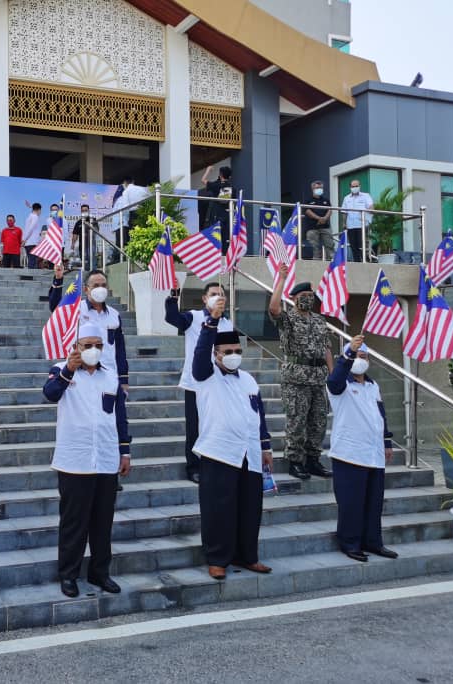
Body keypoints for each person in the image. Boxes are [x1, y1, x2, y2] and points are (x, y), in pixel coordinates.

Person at [43, 324, 131, 598]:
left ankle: (100, 573)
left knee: (102, 522)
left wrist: (124, 450)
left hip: (105, 458)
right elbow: (50, 393)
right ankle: (68, 574)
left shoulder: (110, 376)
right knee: (74, 522)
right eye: (87, 345)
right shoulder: (61, 370)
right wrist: (69, 369)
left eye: (98, 345)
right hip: (75, 460)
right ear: (76, 346)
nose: (93, 350)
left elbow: (119, 415)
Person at [192, 304, 273, 580]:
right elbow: (200, 355)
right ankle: (217, 558)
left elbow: (259, 414)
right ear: (217, 355)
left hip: (248, 453)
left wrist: (265, 446)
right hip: (219, 451)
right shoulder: (206, 375)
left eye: (238, 352)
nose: (234, 356)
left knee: (249, 508)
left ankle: (247, 555)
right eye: (228, 352)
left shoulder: (248, 380)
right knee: (219, 508)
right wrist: (211, 324)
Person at [327, 336, 398, 563]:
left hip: (373, 453)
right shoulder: (340, 384)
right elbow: (335, 380)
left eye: (364, 356)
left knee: (373, 502)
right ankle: (350, 542)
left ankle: (373, 541)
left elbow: (381, 414)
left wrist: (386, 441)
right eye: (358, 356)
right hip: (349, 454)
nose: (361, 360)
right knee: (351, 502)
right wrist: (348, 354)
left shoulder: (373, 385)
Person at [165, 279, 234, 484]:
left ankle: (213, 462)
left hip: (220, 384)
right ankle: (193, 466)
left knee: (215, 424)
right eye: (213, 294)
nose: (217, 297)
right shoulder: (193, 317)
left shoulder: (227, 323)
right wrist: (174, 295)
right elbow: (172, 318)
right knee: (195, 427)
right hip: (195, 383)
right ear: (205, 299)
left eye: (221, 294)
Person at [268, 265, 334, 480]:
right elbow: (274, 309)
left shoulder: (319, 320)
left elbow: (326, 348)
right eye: (304, 295)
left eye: (310, 295)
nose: (308, 299)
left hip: (318, 376)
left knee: (318, 421)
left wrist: (332, 375)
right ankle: (295, 461)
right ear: (295, 298)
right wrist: (281, 279)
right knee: (297, 420)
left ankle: (313, 460)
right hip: (296, 375)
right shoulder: (288, 318)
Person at [48, 267, 129, 390]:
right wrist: (58, 279)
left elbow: (120, 349)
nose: (100, 289)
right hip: (81, 374)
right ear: (86, 289)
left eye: (103, 285)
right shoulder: (75, 310)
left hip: (108, 375)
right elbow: (55, 308)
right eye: (96, 286)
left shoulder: (114, 315)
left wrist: (123, 378)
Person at [340, 179, 373, 262]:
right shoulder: (346, 198)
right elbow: (344, 212)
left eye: (356, 186)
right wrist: (344, 223)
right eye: (353, 186)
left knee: (362, 243)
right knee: (353, 245)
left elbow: (371, 206)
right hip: (350, 225)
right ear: (350, 187)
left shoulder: (366, 196)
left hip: (362, 224)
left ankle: (366, 259)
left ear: (359, 186)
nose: (355, 188)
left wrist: (369, 212)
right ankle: (357, 261)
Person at [201, 165, 234, 243]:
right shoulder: (231, 187)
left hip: (216, 214)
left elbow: (203, 180)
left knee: (214, 235)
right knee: (225, 236)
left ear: (221, 174)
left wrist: (208, 170)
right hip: (227, 215)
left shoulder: (216, 186)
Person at [304, 180, 334, 260]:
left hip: (325, 227)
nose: (319, 189)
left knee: (330, 244)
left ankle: (331, 262)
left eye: (321, 188)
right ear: (312, 188)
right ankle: (316, 262)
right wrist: (319, 218)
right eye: (317, 188)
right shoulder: (308, 200)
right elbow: (308, 211)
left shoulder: (326, 200)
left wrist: (324, 218)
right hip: (312, 228)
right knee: (314, 247)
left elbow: (330, 210)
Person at [71, 204, 100, 270]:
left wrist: (90, 225)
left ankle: (93, 275)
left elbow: (97, 230)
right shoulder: (78, 222)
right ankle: (86, 277)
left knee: (92, 264)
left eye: (85, 210)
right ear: (81, 212)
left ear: (89, 211)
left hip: (91, 246)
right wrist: (72, 244)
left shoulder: (93, 220)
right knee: (85, 265)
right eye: (83, 211)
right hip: (82, 247)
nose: (84, 212)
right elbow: (75, 234)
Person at [22, 202, 43, 269]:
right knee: (33, 261)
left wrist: (24, 240)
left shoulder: (29, 216)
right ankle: (31, 278)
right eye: (40, 210)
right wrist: (24, 240)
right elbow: (30, 229)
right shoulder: (35, 217)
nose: (40, 212)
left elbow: (28, 229)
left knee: (32, 261)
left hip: (28, 243)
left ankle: (30, 278)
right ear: (39, 210)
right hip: (32, 242)